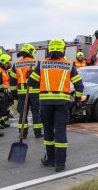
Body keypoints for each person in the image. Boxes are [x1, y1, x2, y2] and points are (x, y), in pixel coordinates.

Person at [27, 38, 84, 173]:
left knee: (47, 131)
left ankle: (50, 159)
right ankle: (60, 164)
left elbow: (30, 83)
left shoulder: (42, 64)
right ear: (63, 50)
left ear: (49, 50)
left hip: (45, 104)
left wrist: (30, 76)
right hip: (62, 104)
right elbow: (79, 84)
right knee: (60, 132)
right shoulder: (69, 65)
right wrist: (78, 99)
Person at [10, 43, 43, 138]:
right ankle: (38, 133)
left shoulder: (16, 64)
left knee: (23, 113)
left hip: (22, 93)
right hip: (35, 92)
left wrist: (14, 94)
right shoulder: (37, 62)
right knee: (36, 112)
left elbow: (12, 80)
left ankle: (22, 134)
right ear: (31, 52)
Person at [0, 54, 12, 128]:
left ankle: (2, 122)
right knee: (0, 108)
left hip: (5, 91)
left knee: (3, 107)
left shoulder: (4, 70)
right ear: (3, 62)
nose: (8, 65)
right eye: (7, 63)